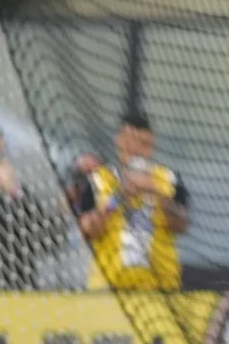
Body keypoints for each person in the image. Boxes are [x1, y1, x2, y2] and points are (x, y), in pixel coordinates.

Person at [76, 114, 191, 291]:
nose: (135, 149)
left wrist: (155, 191)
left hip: (160, 289)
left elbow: (181, 225)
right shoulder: (99, 180)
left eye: (143, 144)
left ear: (151, 148)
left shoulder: (168, 180)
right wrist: (118, 197)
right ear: (118, 142)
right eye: (129, 141)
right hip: (108, 290)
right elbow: (88, 231)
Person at [0, 124, 69, 290]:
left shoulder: (18, 197)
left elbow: (51, 242)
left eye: (0, 156)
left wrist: (63, 210)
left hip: (18, 295)